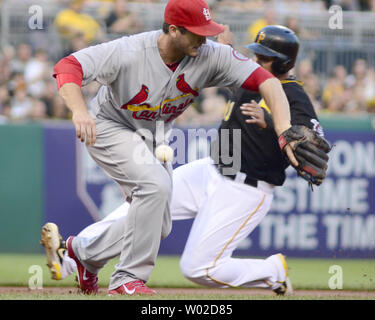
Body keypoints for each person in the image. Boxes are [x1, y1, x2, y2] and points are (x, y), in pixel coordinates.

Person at [42, 0, 299, 296]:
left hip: (154, 137)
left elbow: (269, 83)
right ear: (174, 30)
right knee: (155, 188)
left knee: (156, 224)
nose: (204, 39)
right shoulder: (129, 51)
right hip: (110, 126)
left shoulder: (211, 55)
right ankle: (127, 278)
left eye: (207, 32)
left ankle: (83, 253)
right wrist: (79, 111)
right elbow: (68, 66)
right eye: (196, 33)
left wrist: (283, 130)